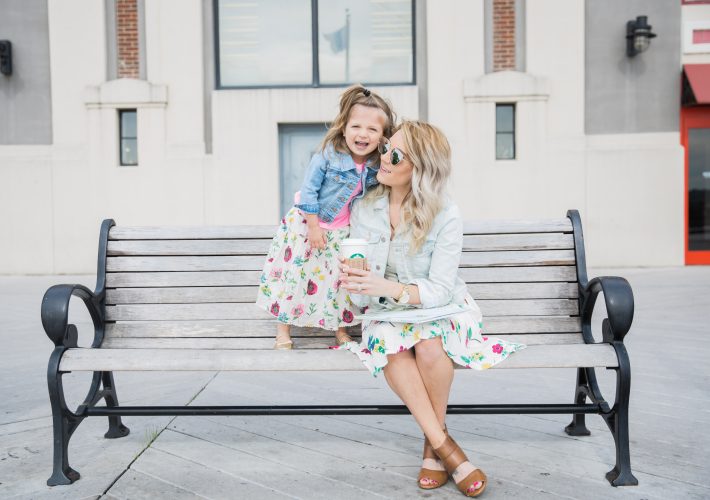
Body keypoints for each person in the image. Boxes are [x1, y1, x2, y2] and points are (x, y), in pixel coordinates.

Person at [339, 120, 525, 496]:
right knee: (390, 346)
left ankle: (432, 446)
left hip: (439, 308)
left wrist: (390, 287)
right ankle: (445, 448)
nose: (383, 157)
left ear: (420, 167)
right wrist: (355, 279)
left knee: (428, 345)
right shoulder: (365, 206)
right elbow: (362, 287)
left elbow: (440, 289)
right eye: (385, 146)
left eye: (395, 153)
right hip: (385, 312)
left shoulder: (446, 214)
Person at [255, 85, 396, 349]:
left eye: (372, 129)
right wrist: (313, 226)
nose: (362, 134)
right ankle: (283, 330)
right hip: (309, 225)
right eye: (356, 126)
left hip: (342, 232)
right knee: (296, 276)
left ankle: (340, 329)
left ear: (383, 136)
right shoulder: (328, 154)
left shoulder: (377, 165)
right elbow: (309, 192)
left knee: (338, 282)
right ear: (344, 127)